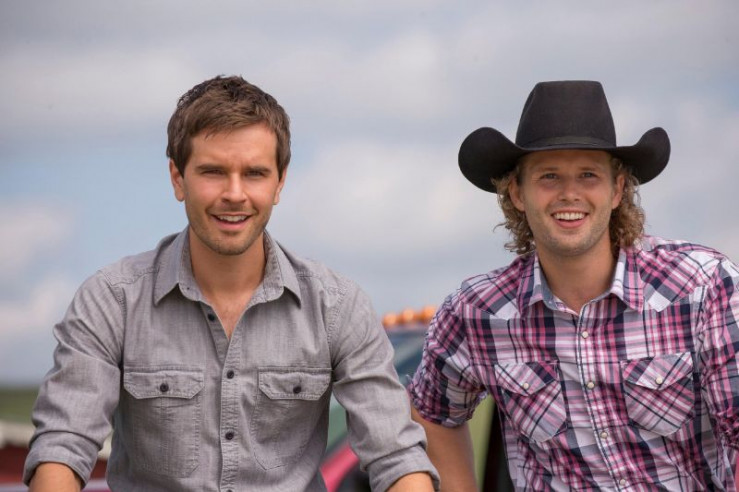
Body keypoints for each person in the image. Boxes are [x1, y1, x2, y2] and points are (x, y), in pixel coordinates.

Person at [24, 75, 438, 492]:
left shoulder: (338, 306)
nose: (235, 194)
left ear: (280, 182)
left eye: (255, 173)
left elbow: (396, 457)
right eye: (213, 172)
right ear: (177, 178)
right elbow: (63, 446)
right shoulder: (111, 300)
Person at [408, 80, 739, 490]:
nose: (569, 194)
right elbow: (433, 414)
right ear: (517, 193)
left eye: (588, 175)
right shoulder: (475, 312)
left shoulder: (703, 286)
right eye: (549, 176)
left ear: (617, 189)